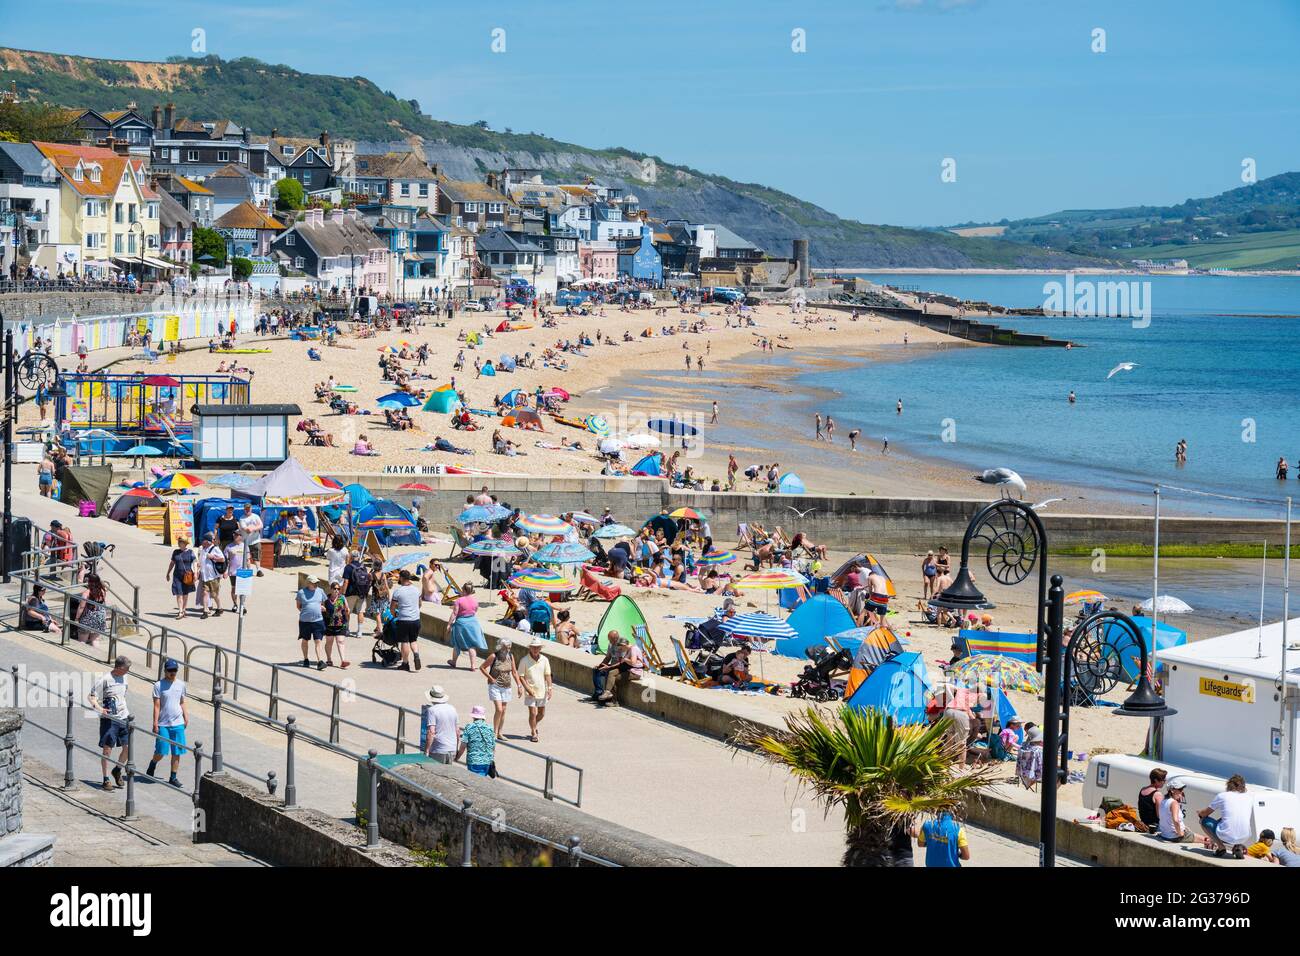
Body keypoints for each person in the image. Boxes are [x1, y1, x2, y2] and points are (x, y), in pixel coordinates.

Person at [88, 656, 132, 792]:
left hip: (123, 718)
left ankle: (117, 769)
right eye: (127, 668)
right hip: (109, 719)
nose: (128, 671)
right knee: (107, 750)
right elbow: (91, 696)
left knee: (127, 748)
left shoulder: (125, 678)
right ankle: (105, 779)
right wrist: (99, 708)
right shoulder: (106, 679)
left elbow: (123, 694)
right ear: (119, 668)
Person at [145, 658, 188, 787]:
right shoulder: (158, 685)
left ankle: (173, 777)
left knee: (177, 751)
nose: (172, 673)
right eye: (170, 670)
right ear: (165, 671)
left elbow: (182, 701)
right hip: (163, 723)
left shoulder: (181, 685)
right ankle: (153, 763)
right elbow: (157, 706)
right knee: (161, 751)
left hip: (178, 723)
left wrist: (186, 716)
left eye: (174, 670)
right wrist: (155, 723)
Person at [1198, 774, 1253, 858]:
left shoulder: (1222, 796)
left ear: (1228, 785)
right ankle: (1238, 847)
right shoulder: (1249, 797)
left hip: (1226, 836)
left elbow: (1205, 813)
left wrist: (1199, 813)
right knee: (1236, 820)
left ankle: (1221, 847)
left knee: (1203, 821)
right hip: (1244, 837)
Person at [480, 639, 518, 741]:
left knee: (504, 710)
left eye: (509, 647)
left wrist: (519, 685)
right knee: (499, 709)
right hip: (495, 686)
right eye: (506, 647)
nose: (508, 649)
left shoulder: (511, 656)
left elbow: (514, 672)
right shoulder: (494, 656)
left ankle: (500, 732)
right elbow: (482, 667)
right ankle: (494, 732)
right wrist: (490, 678)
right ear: (500, 647)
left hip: (507, 686)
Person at [593, 633, 644, 708]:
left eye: (621, 648)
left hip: (635, 672)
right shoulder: (628, 649)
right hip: (627, 669)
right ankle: (607, 692)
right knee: (611, 673)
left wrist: (625, 659)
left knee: (613, 679)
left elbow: (633, 662)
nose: (620, 650)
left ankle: (615, 701)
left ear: (624, 645)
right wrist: (608, 667)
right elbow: (621, 663)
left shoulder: (633, 649)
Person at [518, 637, 553, 743]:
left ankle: (534, 724)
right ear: (530, 648)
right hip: (530, 691)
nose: (535, 649)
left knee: (541, 714)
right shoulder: (524, 660)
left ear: (540, 648)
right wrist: (527, 688)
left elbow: (547, 675)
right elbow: (521, 676)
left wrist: (550, 688)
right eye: (534, 647)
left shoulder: (545, 659)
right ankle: (533, 732)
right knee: (533, 713)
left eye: (537, 647)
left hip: (542, 690)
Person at [389, 569, 423, 672]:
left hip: (403, 619)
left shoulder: (398, 591)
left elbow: (392, 607)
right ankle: (416, 654)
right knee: (413, 640)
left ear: (402, 578)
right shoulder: (416, 590)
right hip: (415, 619)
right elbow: (420, 604)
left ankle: (405, 663)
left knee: (405, 641)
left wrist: (394, 614)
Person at [296, 576, 327, 670]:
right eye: (314, 583)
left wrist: (321, 607)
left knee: (318, 641)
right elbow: (298, 606)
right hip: (305, 621)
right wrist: (307, 611)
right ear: (308, 583)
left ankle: (319, 661)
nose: (316, 584)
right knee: (305, 640)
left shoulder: (320, 591)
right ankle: (306, 659)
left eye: (317, 582)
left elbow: (322, 603)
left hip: (318, 620)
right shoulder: (301, 592)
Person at [421, 686, 459, 763]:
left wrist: (427, 750)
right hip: (451, 748)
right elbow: (457, 731)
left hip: (438, 749)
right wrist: (456, 747)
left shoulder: (432, 710)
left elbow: (431, 732)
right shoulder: (452, 708)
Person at [457, 705, 496, 776]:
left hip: (474, 760)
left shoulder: (469, 727)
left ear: (473, 716)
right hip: (487, 760)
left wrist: (457, 757)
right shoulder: (490, 728)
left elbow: (463, 745)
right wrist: (491, 758)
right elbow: (493, 746)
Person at [166, 535, 197, 619]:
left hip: (187, 576)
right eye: (179, 542)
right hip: (177, 576)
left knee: (185, 594)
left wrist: (196, 573)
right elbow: (172, 563)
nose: (179, 543)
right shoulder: (175, 552)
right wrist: (168, 573)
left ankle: (184, 610)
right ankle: (180, 611)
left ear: (185, 543)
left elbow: (194, 563)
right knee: (179, 593)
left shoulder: (190, 552)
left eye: (181, 542)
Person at [342, 551, 372, 637]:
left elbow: (346, 581)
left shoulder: (348, 567)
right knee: (360, 612)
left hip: (351, 593)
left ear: (351, 557)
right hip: (362, 592)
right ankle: (359, 632)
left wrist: (343, 593)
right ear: (358, 557)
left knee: (347, 611)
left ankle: (347, 630)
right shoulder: (363, 567)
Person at [74, 573, 108, 647]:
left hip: (88, 618)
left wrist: (77, 618)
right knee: (95, 640)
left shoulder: (86, 593)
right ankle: (96, 654)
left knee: (82, 640)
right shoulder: (103, 591)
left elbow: (81, 607)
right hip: (100, 617)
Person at [323, 581, 351, 668]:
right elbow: (322, 608)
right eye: (334, 588)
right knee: (329, 643)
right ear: (331, 589)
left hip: (340, 624)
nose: (336, 590)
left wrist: (347, 614)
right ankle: (329, 659)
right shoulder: (326, 599)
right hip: (329, 625)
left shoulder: (342, 598)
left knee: (340, 641)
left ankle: (343, 661)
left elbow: (348, 610)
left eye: (338, 589)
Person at [198, 532, 226, 618]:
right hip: (205, 576)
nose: (202, 541)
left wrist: (213, 557)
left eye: (204, 540)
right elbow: (201, 562)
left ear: (208, 541)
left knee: (214, 595)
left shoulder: (215, 549)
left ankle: (219, 608)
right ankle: (205, 611)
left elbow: (222, 559)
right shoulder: (203, 549)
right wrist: (199, 571)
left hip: (213, 577)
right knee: (205, 593)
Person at [1156, 777, 1189, 841]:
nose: (1182, 792)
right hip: (1174, 836)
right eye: (1180, 790)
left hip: (1165, 834)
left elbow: (1160, 816)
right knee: (1204, 839)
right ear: (1172, 790)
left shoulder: (1163, 801)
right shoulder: (1174, 803)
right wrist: (1180, 834)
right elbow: (1175, 820)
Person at [239, 502, 263, 571]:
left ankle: (259, 570)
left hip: (256, 540)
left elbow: (261, 525)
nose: (247, 510)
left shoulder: (256, 516)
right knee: (247, 557)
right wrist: (255, 527)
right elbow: (246, 529)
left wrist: (253, 528)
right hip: (245, 541)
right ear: (244, 509)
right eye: (246, 508)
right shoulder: (242, 518)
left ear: (251, 508)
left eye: (249, 508)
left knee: (257, 557)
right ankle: (249, 570)